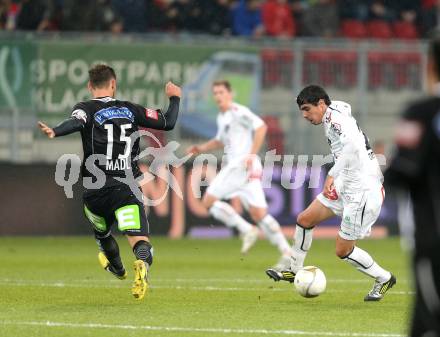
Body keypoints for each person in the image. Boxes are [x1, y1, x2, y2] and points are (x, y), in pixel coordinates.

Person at [37, 64, 181, 300]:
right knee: (139, 241)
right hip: (126, 188)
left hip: (95, 191)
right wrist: (174, 98)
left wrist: (55, 131)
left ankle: (118, 269)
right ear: (113, 84)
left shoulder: (84, 108)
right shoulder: (130, 109)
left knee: (103, 235)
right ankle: (142, 264)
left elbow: (75, 122)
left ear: (89, 86)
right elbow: (168, 121)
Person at [266, 85, 396, 301]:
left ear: (321, 104)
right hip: (346, 183)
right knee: (305, 219)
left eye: (307, 109)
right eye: (302, 111)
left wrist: (332, 174)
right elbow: (346, 107)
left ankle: (384, 278)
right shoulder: (335, 110)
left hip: (362, 191)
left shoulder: (337, 120)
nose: (305, 116)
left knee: (343, 250)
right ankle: (295, 270)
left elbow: (353, 146)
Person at [186, 80, 292, 269]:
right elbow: (220, 140)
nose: (218, 96)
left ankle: (246, 229)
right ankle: (287, 252)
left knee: (208, 202)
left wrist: (251, 153)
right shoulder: (223, 117)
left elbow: (261, 127)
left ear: (230, 93)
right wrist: (201, 148)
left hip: (240, 165)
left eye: (221, 92)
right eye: (215, 93)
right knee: (259, 213)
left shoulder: (237, 112)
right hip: (247, 168)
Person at [385, 37, 440, 336]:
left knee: (430, 317)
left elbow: (402, 172)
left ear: (430, 66)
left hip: (433, 238)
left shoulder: (420, 112)